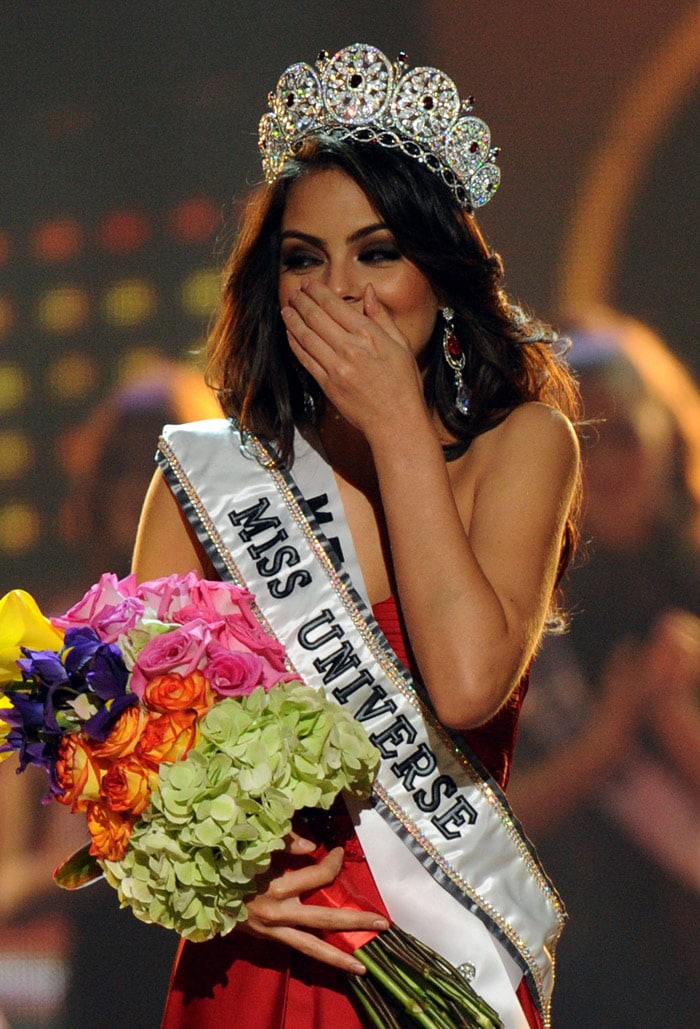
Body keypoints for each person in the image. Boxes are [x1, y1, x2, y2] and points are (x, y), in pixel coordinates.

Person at [132, 44, 581, 1029]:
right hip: (254, 964)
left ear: (442, 275)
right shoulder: (214, 481)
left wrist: (396, 428)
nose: (341, 290)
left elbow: (465, 685)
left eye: (378, 253)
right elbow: (127, 754)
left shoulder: (521, 448)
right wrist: (215, 889)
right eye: (305, 259)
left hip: (443, 956)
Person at [509, 310, 700, 1027]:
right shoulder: (526, 619)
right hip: (595, 968)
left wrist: (676, 713)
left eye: (623, 434)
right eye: (585, 445)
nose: (609, 465)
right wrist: (604, 745)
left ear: (667, 432)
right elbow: (483, 821)